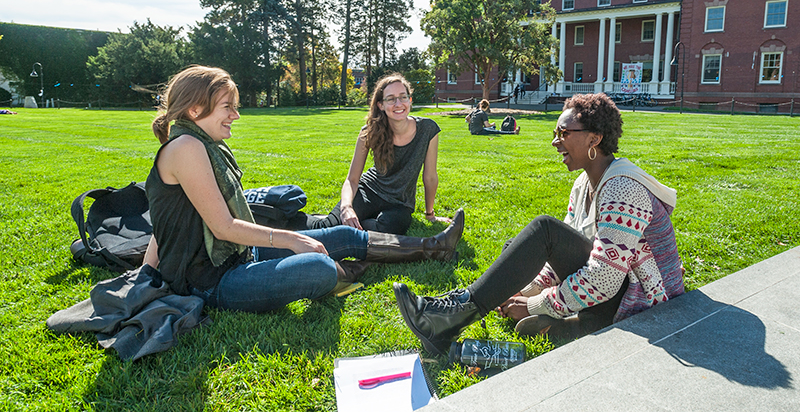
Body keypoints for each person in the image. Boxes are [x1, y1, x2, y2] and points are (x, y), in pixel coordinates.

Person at [143, 66, 465, 312]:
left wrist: (145, 274)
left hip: (238, 256)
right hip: (211, 280)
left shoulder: (201, 144)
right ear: (195, 109)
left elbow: (163, 223)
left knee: (346, 236)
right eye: (228, 106)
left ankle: (435, 245)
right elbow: (223, 227)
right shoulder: (187, 147)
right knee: (319, 268)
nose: (235, 115)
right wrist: (291, 239)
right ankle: (342, 266)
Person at [393, 93, 684, 355]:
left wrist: (536, 303)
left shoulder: (623, 188)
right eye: (556, 132)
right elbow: (565, 255)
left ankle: (451, 316)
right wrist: (524, 289)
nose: (555, 141)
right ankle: (581, 324)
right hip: (613, 291)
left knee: (544, 231)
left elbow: (603, 279)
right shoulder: (584, 183)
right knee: (517, 254)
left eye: (564, 133)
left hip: (641, 303)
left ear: (594, 139)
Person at [307, 73, 453, 235]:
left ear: (410, 100)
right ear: (380, 105)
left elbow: (430, 177)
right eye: (390, 99)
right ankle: (280, 216)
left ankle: (355, 224)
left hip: (400, 203)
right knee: (324, 228)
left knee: (390, 229)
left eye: (403, 97)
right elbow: (352, 179)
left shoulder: (428, 129)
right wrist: (347, 207)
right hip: (369, 191)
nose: (398, 104)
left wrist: (430, 214)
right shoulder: (369, 132)